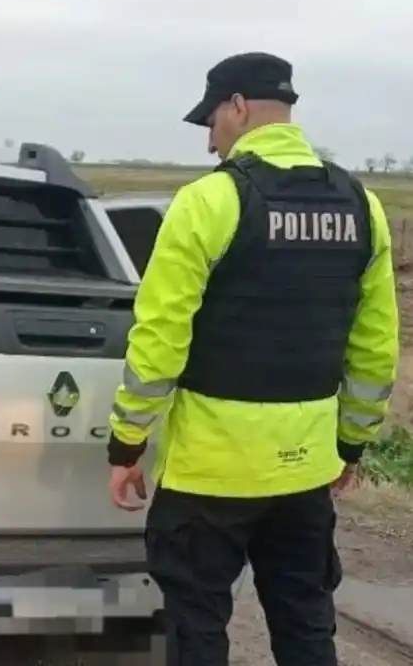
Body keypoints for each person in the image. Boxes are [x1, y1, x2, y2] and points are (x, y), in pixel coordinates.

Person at [106, 52, 399, 666]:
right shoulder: (360, 204)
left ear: (237, 106)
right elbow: (374, 349)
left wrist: (127, 444)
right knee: (306, 624)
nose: (211, 141)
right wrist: (350, 446)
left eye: (210, 121)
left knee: (196, 627)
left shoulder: (208, 202)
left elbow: (158, 341)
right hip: (304, 472)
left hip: (211, 472)